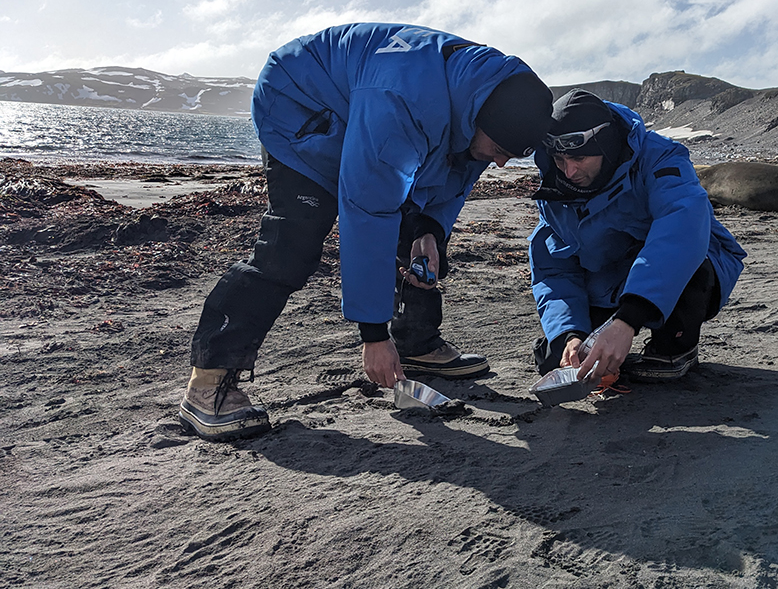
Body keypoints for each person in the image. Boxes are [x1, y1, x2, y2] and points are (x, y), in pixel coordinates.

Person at [178, 23, 553, 441]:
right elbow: (367, 208)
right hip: (303, 106)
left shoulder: (493, 103)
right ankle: (209, 382)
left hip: (379, 106)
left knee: (417, 238)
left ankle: (417, 344)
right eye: (500, 152)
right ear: (481, 123)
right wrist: (372, 336)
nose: (500, 164)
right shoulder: (402, 104)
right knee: (292, 246)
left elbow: (456, 175)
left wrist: (429, 228)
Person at [529, 89, 746, 384]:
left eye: (579, 157)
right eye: (559, 158)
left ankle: (675, 347)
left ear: (604, 144)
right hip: (610, 277)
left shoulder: (660, 157)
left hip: (694, 263)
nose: (568, 171)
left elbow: (681, 230)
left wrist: (626, 322)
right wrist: (569, 335)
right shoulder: (554, 188)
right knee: (558, 355)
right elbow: (553, 266)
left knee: (691, 264)